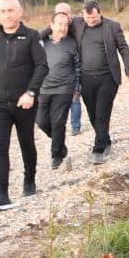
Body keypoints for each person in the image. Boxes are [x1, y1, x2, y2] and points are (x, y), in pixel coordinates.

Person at [0, 0, 47, 210]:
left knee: (26, 142)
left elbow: (42, 66)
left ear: (20, 12)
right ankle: (1, 194)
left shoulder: (32, 36)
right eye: (3, 11)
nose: (7, 15)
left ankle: (29, 181)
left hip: (24, 102)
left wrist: (31, 93)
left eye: (11, 11)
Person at [70, 0, 129, 164]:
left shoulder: (112, 26)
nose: (91, 21)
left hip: (107, 78)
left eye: (94, 18)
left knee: (102, 114)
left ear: (100, 13)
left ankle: (98, 150)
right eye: (88, 18)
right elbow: (58, 25)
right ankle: (106, 140)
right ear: (83, 14)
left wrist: (128, 68)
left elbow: (123, 47)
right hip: (86, 78)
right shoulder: (77, 24)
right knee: (92, 114)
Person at [37, 10, 80, 170]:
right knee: (41, 121)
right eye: (59, 24)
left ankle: (56, 155)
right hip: (43, 88)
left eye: (65, 25)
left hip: (65, 88)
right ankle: (60, 144)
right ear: (51, 26)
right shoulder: (41, 42)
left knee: (58, 121)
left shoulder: (71, 43)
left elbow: (78, 66)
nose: (62, 28)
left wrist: (76, 87)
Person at [41, 2, 83, 135]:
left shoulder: (77, 24)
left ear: (70, 15)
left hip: (72, 67)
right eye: (60, 13)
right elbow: (36, 38)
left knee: (75, 98)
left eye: (66, 14)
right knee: (45, 117)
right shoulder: (49, 31)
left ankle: (75, 126)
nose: (64, 26)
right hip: (50, 81)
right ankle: (57, 134)